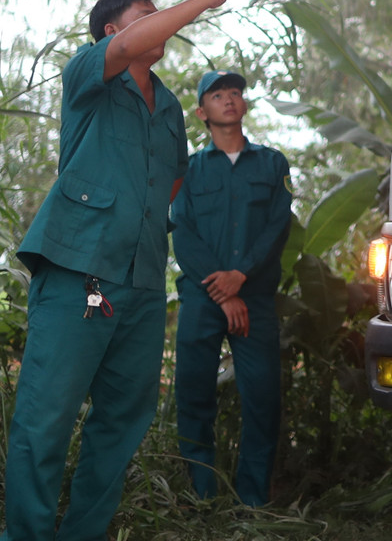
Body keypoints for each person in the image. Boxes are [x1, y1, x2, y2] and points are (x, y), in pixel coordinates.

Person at [0, 0, 252, 541]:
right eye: (145, 16)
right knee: (46, 418)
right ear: (111, 31)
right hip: (77, 272)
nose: (160, 25)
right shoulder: (89, 75)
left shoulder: (168, 109)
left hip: (140, 282)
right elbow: (130, 45)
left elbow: (171, 182)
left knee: (121, 423)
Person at [171, 70, 293, 507]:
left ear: (244, 105)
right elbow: (182, 232)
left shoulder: (272, 164)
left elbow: (278, 226)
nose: (229, 99)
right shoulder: (189, 169)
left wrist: (240, 277)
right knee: (194, 394)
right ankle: (202, 495)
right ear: (203, 112)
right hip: (202, 300)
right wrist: (224, 291)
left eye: (236, 93)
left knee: (262, 398)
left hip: (255, 300)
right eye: (218, 95)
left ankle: (253, 502)